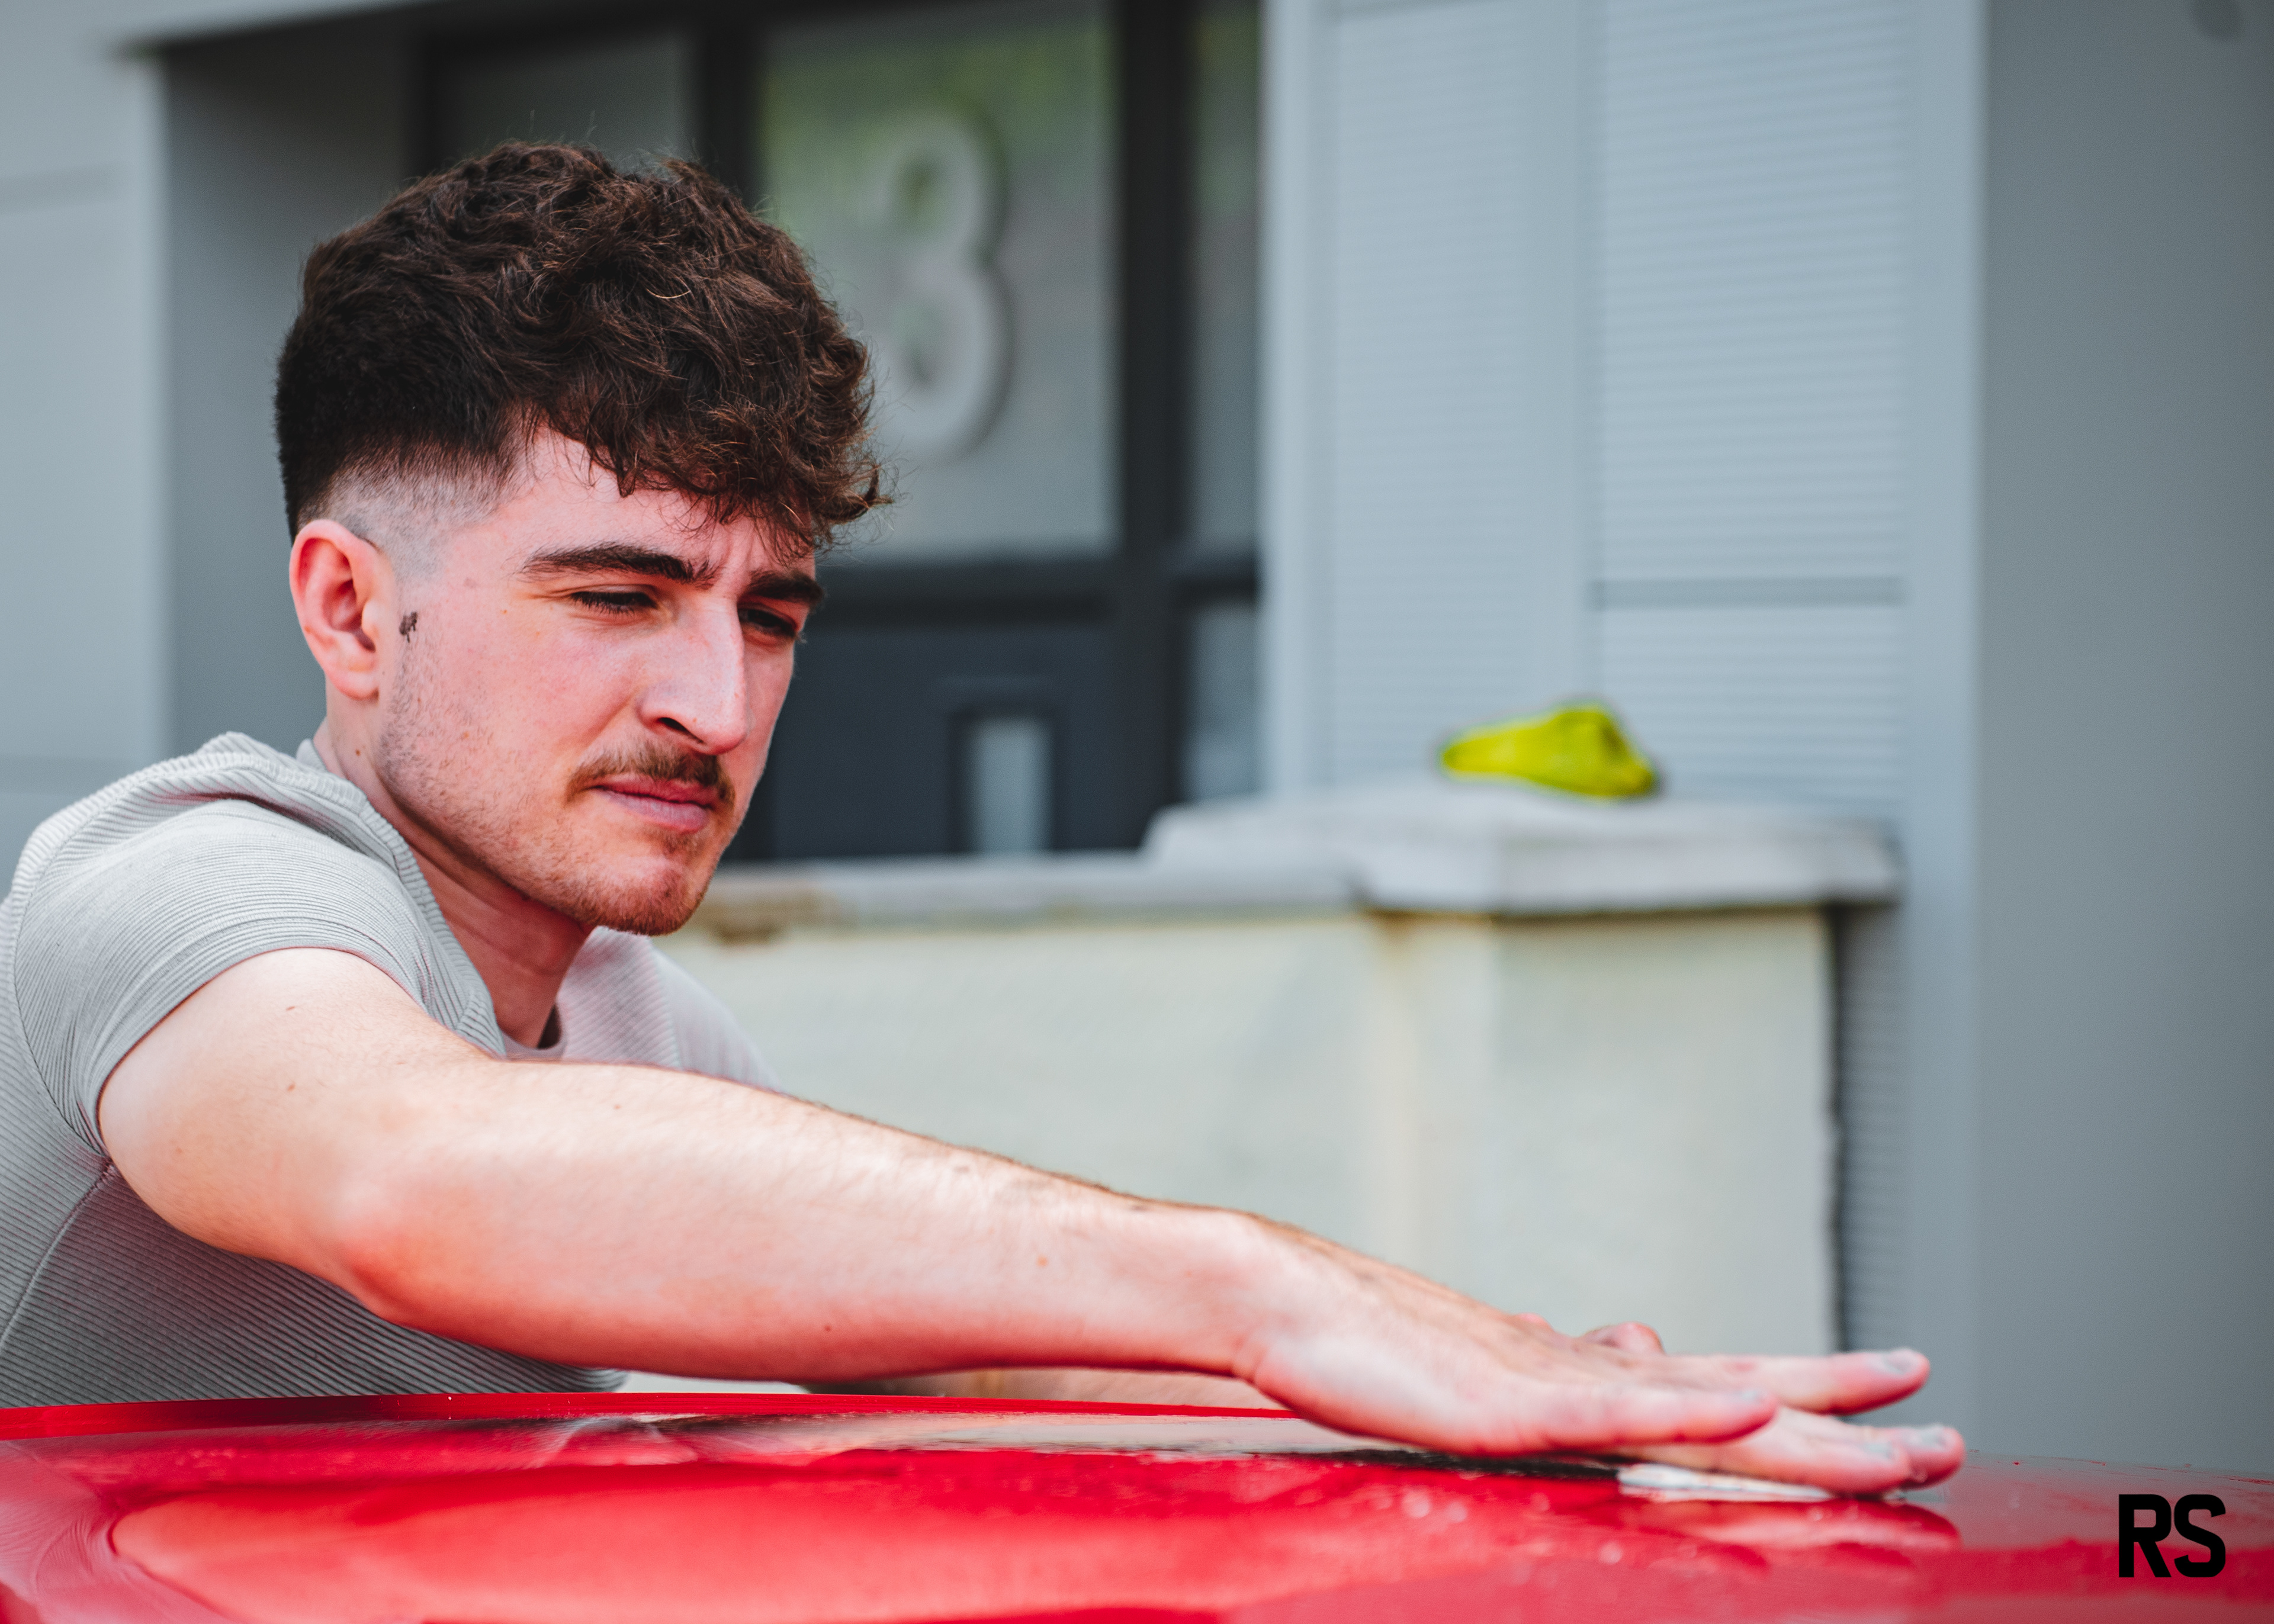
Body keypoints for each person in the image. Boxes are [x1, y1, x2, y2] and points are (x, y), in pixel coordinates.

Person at [0, 144, 1960, 1493]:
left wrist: (1477, 1379)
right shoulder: (173, 884)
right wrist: (1258, 1286)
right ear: (351, 610)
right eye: (618, 596)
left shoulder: (649, 1035)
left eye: (772, 616)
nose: (719, 705)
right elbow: (411, 1179)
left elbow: (930, 1340)